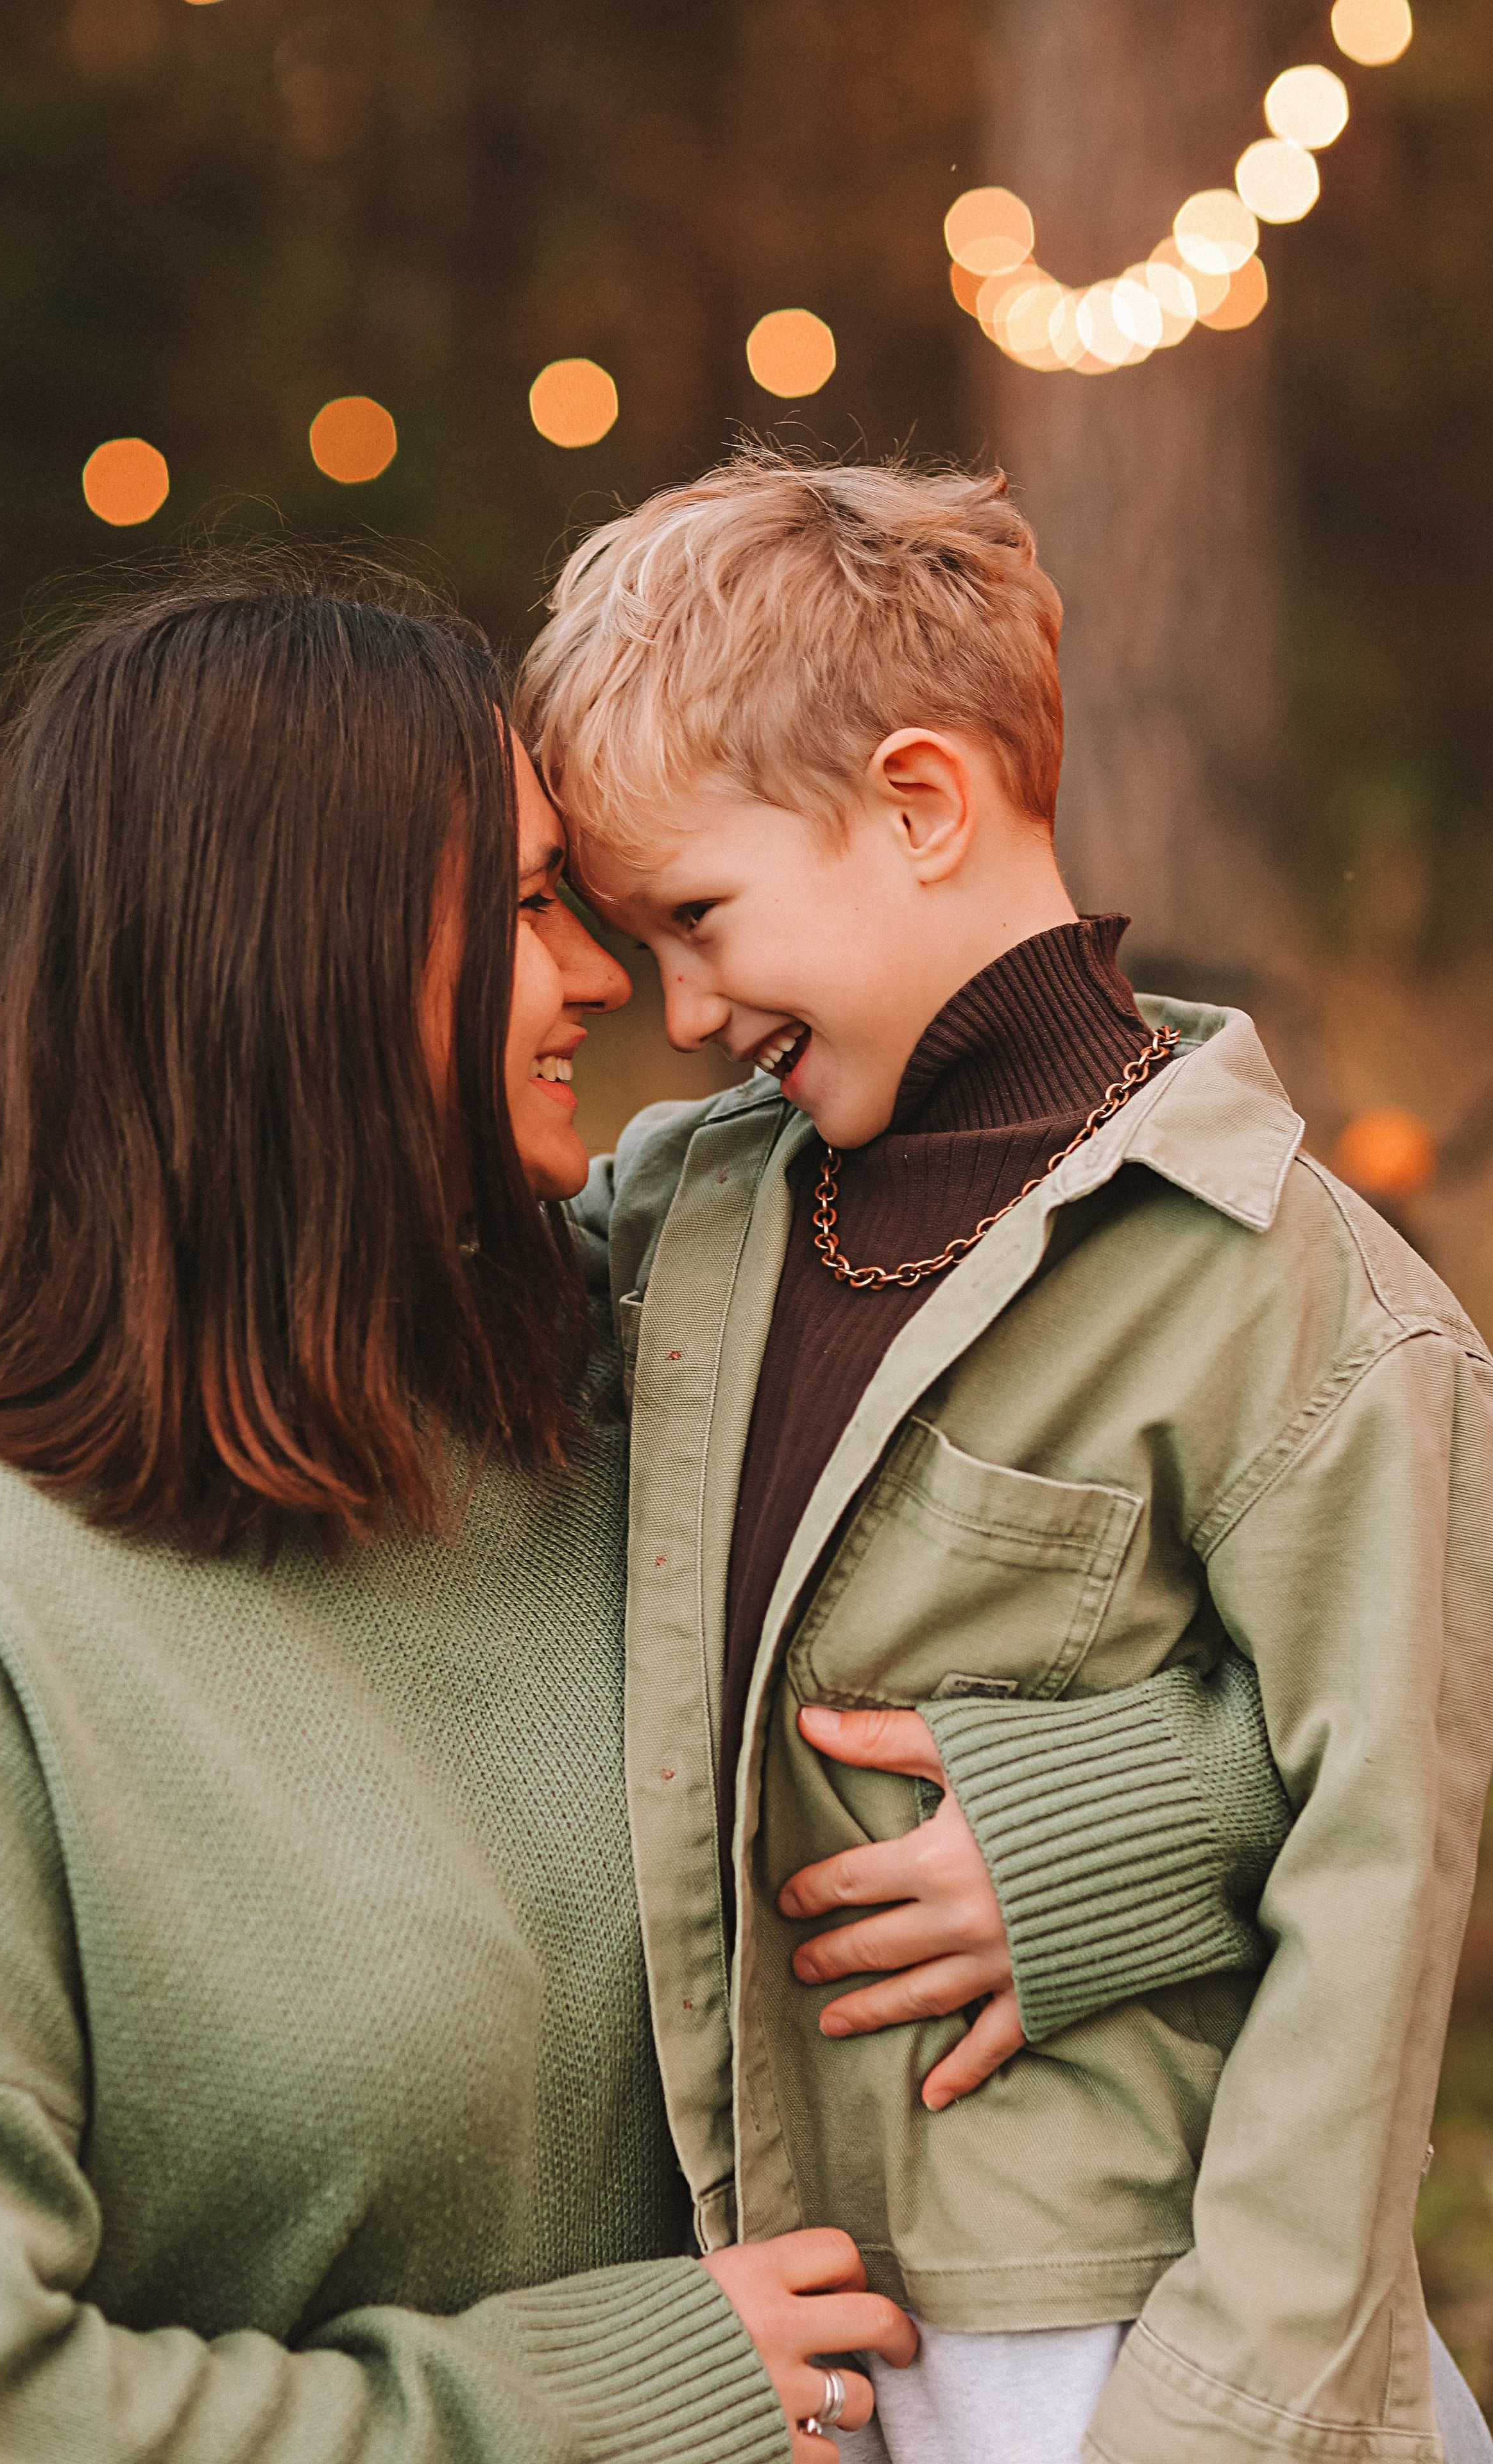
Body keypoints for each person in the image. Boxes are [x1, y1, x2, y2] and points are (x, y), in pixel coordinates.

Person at [0, 561, 1297, 2464]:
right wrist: (597, 2396)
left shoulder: (640, 1376)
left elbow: (1345, 1647)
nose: (615, 981)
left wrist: (1096, 1838)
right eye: (535, 904)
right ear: (299, 944)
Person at [523, 452, 1493, 2464]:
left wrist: (1220, 2412)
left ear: (921, 803)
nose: (682, 1009)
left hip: (1105, 2343)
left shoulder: (1298, 1305)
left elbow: (1383, 1874)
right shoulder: (683, 1223)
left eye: (699, 917)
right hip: (770, 2337)